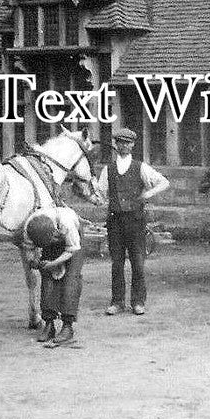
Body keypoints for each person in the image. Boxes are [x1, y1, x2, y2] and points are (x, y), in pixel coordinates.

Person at [96, 127, 170, 316]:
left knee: (138, 262)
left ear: (133, 145)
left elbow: (164, 182)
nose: (124, 146)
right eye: (120, 142)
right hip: (115, 222)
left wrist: (148, 193)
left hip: (136, 221)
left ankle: (138, 301)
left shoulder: (141, 167)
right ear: (116, 144)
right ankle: (117, 302)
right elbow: (100, 193)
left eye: (127, 143)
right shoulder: (108, 169)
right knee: (117, 263)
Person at [25, 206, 86, 346]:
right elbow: (28, 248)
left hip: (72, 244)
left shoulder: (67, 223)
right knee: (47, 280)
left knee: (71, 279)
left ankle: (67, 326)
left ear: (54, 232)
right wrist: (34, 261)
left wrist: (53, 263)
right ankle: (49, 323)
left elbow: (72, 250)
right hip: (47, 237)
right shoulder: (30, 226)